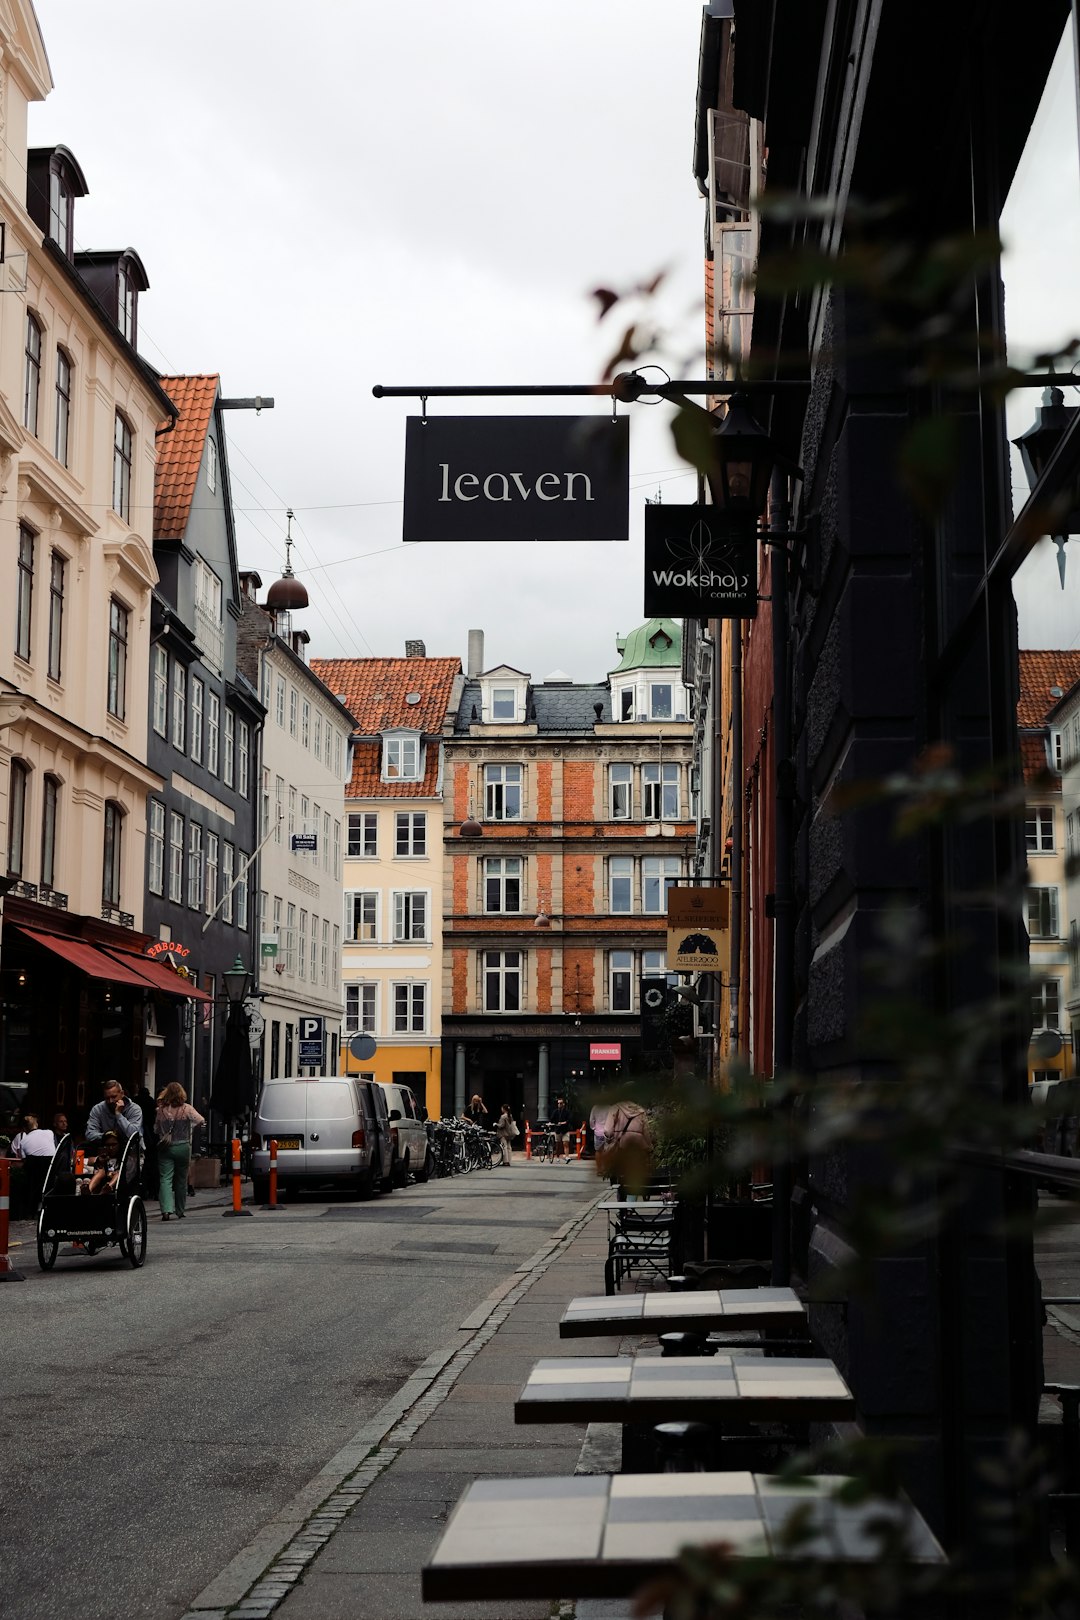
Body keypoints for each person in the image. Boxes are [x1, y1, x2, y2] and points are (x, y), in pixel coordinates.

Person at [155, 1082, 205, 1222]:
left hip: (165, 1147)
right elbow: (200, 1120)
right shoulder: (186, 1109)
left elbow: (156, 1129)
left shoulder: (161, 1110)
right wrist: (190, 1129)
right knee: (181, 1179)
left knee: (165, 1178)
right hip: (183, 1146)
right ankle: (180, 1210)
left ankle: (166, 1210)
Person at [11, 1113, 56, 1209]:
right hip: (50, 1172)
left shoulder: (23, 1141)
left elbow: (23, 1159)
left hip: (34, 1176)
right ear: (37, 1124)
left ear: (24, 1128)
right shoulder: (50, 1132)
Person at [85, 1080, 143, 1145]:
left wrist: (119, 1115)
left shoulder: (134, 1109)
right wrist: (109, 1137)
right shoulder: (98, 1109)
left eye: (114, 1097)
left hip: (132, 1150)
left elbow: (134, 1135)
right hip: (107, 1150)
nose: (110, 1101)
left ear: (122, 1093)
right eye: (107, 1098)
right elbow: (89, 1134)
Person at [87, 1131, 121, 1196]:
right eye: (108, 1145)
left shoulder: (124, 1158)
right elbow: (86, 1161)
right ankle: (88, 1190)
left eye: (114, 1145)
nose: (111, 1148)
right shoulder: (102, 1157)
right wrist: (99, 1161)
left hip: (117, 1182)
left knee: (118, 1173)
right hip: (102, 1179)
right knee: (100, 1172)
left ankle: (107, 1188)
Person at [550, 1094, 571, 1160]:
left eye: (561, 1103)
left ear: (563, 1104)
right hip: (558, 1130)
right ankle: (557, 1156)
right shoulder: (555, 1112)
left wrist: (564, 1123)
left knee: (566, 1143)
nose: (559, 1105)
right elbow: (552, 1119)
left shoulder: (567, 1112)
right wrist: (556, 1123)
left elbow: (569, 1120)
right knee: (558, 1144)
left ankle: (567, 1156)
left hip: (565, 1129)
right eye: (558, 1103)